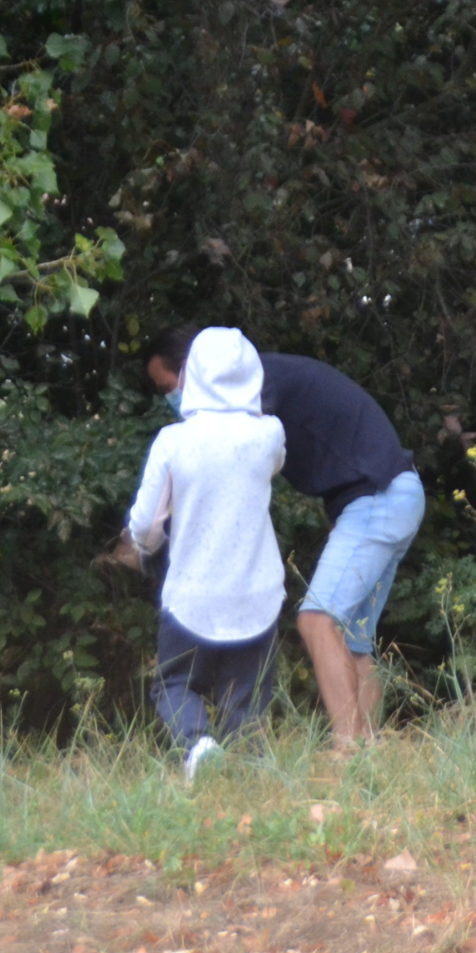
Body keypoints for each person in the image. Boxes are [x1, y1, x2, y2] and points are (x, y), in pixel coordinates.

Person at [146, 327, 424, 752]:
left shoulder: (253, 387)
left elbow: (228, 463)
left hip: (376, 499)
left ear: (193, 369)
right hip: (395, 493)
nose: (172, 398)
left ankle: (348, 748)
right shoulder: (267, 378)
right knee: (354, 639)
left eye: (169, 387)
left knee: (317, 620)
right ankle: (368, 751)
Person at [124, 326, 286, 782]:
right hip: (257, 592)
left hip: (192, 592)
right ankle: (248, 776)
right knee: (246, 697)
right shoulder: (269, 433)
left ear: (190, 374)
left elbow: (146, 524)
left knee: (175, 683)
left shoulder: (173, 441)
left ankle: (197, 746)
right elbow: (272, 468)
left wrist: (144, 548)